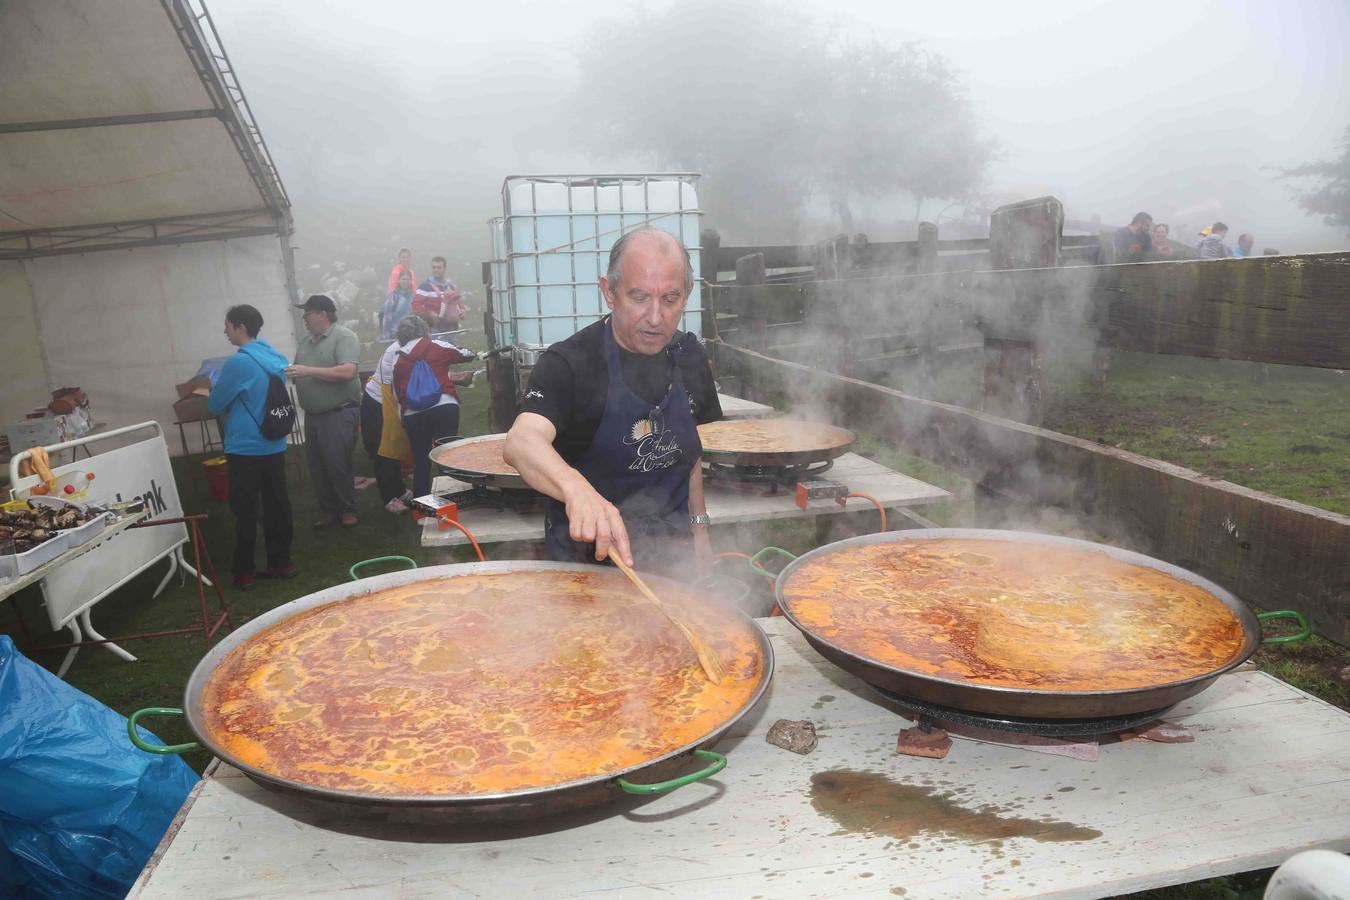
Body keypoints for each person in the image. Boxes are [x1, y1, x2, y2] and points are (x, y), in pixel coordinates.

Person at [503, 228, 722, 579]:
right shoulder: (569, 363)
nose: (655, 317)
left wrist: (699, 530)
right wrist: (576, 489)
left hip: (673, 557)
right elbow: (521, 441)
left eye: (670, 299)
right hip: (588, 565)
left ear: (688, 295)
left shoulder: (689, 356)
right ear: (609, 291)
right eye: (639, 297)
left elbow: (690, 454)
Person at [207, 305, 295, 590]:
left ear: (240, 328)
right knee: (277, 504)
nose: (225, 331)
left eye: (228, 326)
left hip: (245, 445)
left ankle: (243, 572)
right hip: (274, 441)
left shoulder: (238, 363)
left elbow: (215, 404)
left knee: (245, 509)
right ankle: (281, 563)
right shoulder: (273, 355)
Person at [286, 295, 362, 527]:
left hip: (338, 412)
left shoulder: (344, 337)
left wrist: (307, 371)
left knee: (337, 464)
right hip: (314, 414)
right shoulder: (306, 342)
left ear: (322, 314)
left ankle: (348, 510)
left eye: (307, 313)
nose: (304, 318)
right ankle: (329, 510)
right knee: (318, 466)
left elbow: (347, 372)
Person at [390, 315, 478, 498]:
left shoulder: (397, 359)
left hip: (414, 413)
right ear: (425, 330)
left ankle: (423, 507)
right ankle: (454, 498)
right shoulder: (437, 345)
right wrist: (472, 352)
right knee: (448, 454)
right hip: (444, 406)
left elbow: (396, 393)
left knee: (421, 460)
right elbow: (465, 354)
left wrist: (403, 417)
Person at [360, 338, 413, 513]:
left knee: (395, 446)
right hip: (378, 402)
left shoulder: (412, 346)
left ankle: (399, 490)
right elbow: (396, 386)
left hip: (390, 400)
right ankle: (389, 498)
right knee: (383, 450)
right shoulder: (396, 351)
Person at [412, 255, 466, 332]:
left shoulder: (450, 286)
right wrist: (429, 313)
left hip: (451, 330)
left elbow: (457, 303)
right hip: (434, 330)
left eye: (439, 267)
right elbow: (415, 305)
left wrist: (462, 310)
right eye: (433, 267)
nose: (435, 270)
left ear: (445, 269)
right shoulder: (425, 286)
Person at [380, 269, 415, 340]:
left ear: (411, 281)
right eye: (403, 279)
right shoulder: (393, 296)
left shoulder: (413, 296)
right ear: (398, 280)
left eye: (408, 279)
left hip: (411, 334)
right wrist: (386, 334)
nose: (406, 282)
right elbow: (387, 316)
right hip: (395, 334)